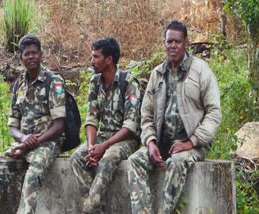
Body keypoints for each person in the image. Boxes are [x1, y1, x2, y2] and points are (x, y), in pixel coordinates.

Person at [127, 20, 222, 214]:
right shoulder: (157, 74)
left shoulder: (201, 71)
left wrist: (191, 141)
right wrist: (151, 142)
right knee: (135, 160)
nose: (172, 46)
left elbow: (214, 113)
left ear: (186, 43)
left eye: (177, 42)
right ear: (164, 43)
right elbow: (145, 114)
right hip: (162, 143)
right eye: (169, 41)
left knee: (176, 162)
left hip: (193, 146)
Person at [0, 35, 66, 214]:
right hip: (23, 145)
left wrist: (32, 142)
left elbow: (59, 125)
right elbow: (12, 125)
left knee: (32, 178)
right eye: (26, 54)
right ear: (21, 58)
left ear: (41, 55)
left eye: (34, 53)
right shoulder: (19, 85)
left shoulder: (53, 81)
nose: (31, 57)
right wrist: (23, 139)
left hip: (47, 144)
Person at [70, 37, 141, 214]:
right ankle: (95, 209)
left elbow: (130, 126)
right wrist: (92, 146)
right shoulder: (95, 82)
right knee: (77, 157)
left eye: (95, 57)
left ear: (108, 59)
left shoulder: (129, 83)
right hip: (103, 137)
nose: (91, 61)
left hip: (125, 140)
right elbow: (92, 119)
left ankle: (88, 208)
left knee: (108, 158)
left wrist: (104, 147)